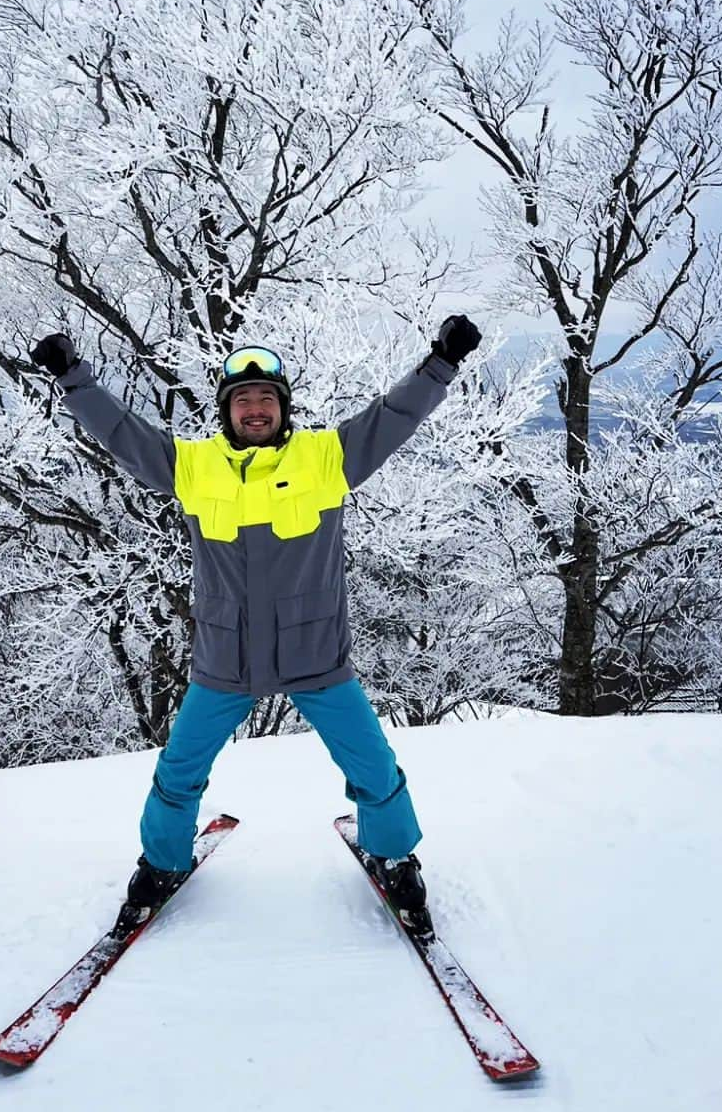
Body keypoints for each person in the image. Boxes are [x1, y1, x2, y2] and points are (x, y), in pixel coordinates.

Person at [31, 318, 482, 937]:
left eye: (266, 398)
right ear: (226, 411)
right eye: (243, 399)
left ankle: (395, 855)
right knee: (178, 772)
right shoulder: (193, 467)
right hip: (225, 660)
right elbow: (120, 433)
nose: (255, 408)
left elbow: (393, 417)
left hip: (315, 655)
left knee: (374, 768)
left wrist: (440, 363)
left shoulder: (325, 458)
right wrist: (73, 378)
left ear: (283, 408)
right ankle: (162, 862)